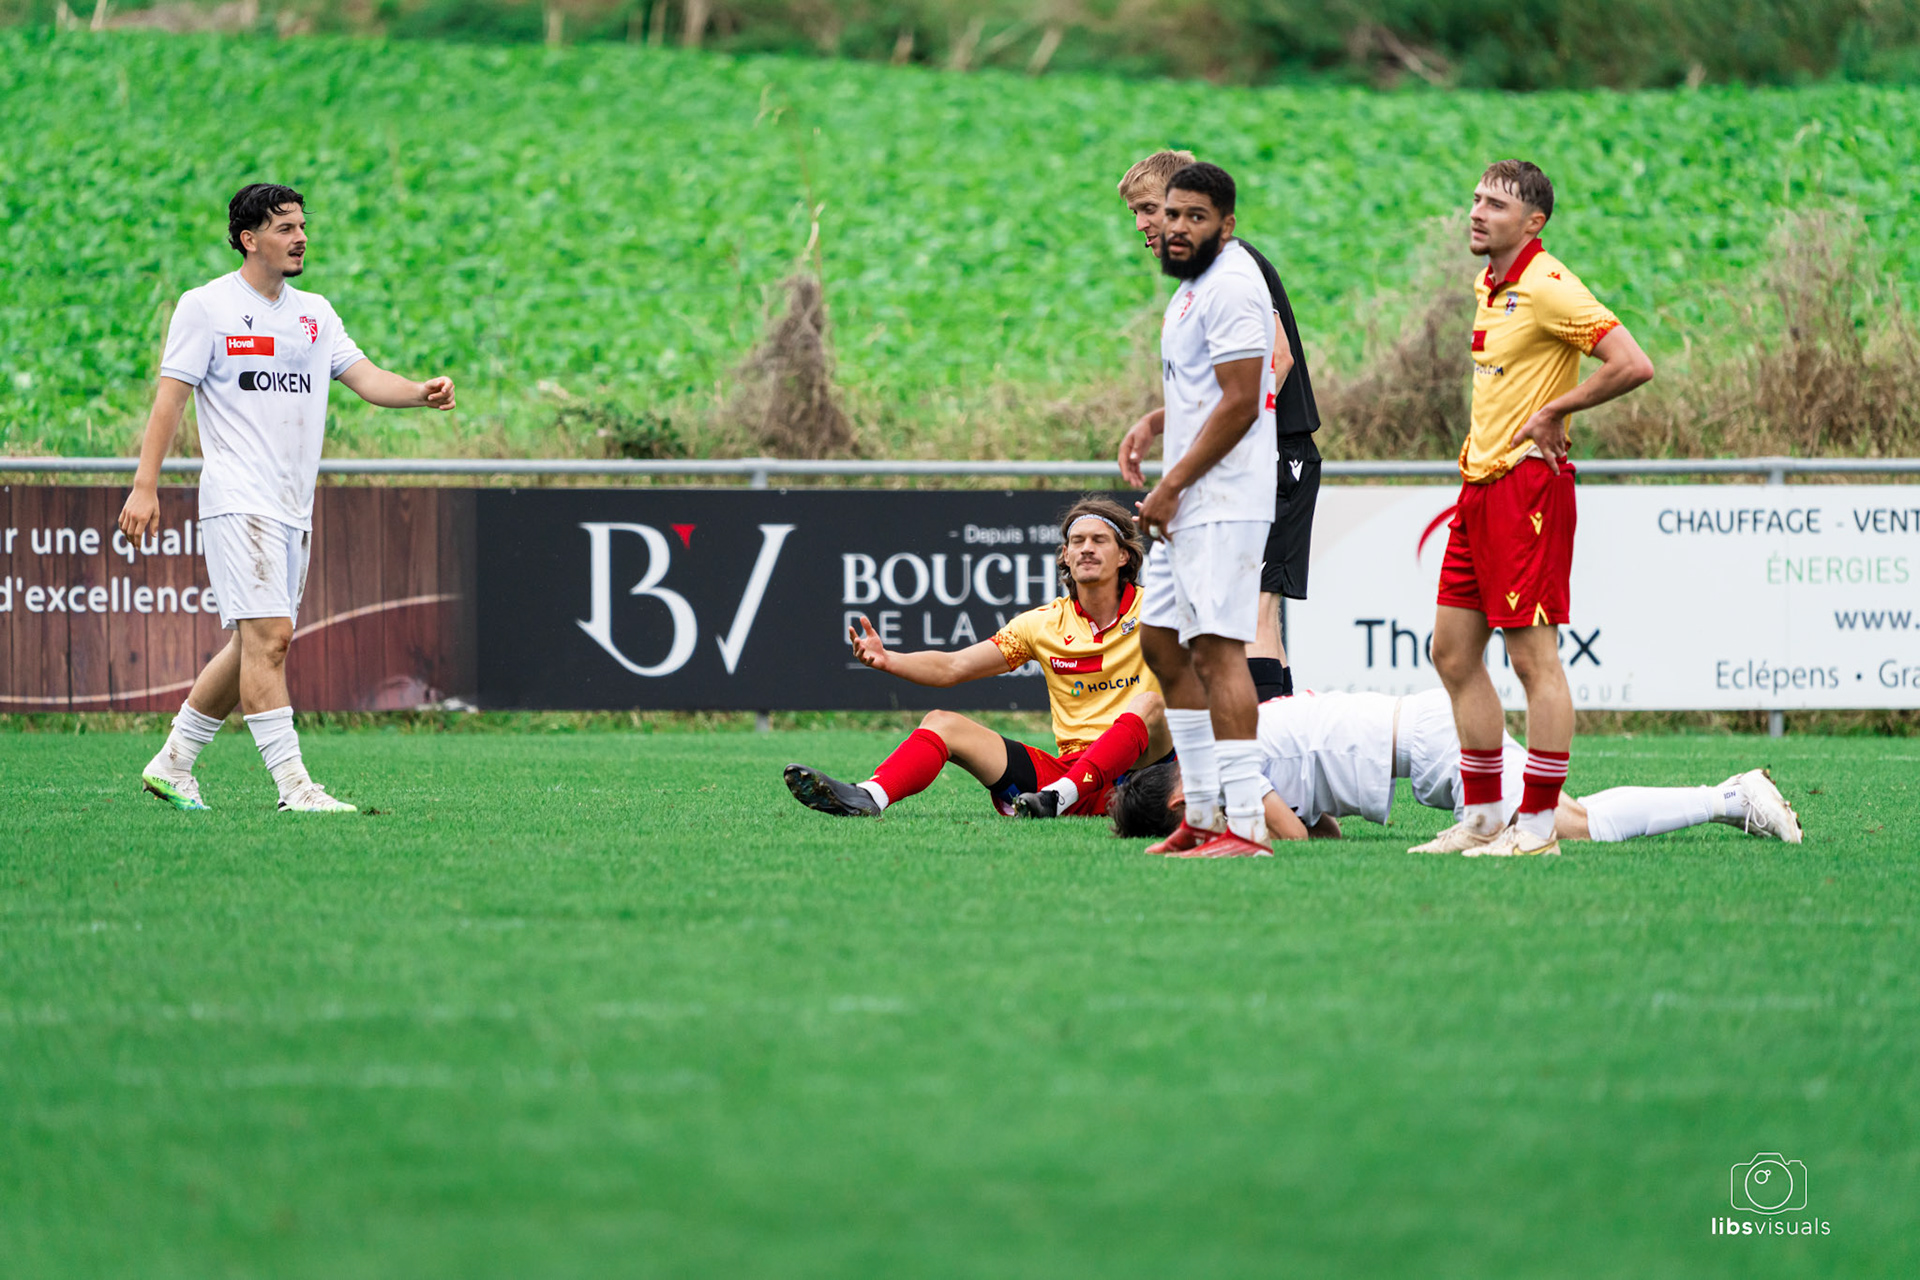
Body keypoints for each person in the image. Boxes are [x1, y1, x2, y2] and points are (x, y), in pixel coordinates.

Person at [120, 183, 456, 813]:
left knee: (255, 642)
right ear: (249, 240)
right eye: (284, 228)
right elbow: (170, 399)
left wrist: (420, 391)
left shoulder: (315, 313)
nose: (301, 237)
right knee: (270, 637)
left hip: (291, 505)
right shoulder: (206, 307)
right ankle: (295, 788)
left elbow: (365, 377)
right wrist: (146, 486)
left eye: (303, 225)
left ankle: (172, 763)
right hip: (238, 498)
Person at [1420, 160, 1656, 858]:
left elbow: (1632, 362)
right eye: (1475, 199)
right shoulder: (1491, 284)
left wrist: (1557, 409)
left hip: (1528, 488)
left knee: (1532, 659)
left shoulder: (1550, 285)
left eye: (1495, 204)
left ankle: (1539, 828)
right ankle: (1486, 816)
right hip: (1478, 487)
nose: (1477, 211)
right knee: (1453, 653)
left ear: (1533, 223)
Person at [784, 497, 1170, 819]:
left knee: (1151, 703)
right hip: (1069, 776)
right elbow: (954, 667)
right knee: (942, 723)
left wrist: (1175, 536)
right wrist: (890, 660)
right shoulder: (1041, 624)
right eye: (1078, 541)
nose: (1087, 548)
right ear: (1065, 556)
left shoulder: (1159, 607)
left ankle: (1057, 798)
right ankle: (868, 796)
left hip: (1146, 780)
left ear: (1124, 555)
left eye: (1099, 540)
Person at [1115, 149, 1320, 703]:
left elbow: (1274, 364)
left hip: (1274, 459)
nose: (1140, 225)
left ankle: (1264, 773)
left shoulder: (1236, 267)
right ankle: (1261, 766)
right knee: (1235, 624)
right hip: (1255, 461)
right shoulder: (1198, 277)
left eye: (1147, 209)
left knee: (1251, 616)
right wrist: (1162, 421)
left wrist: (1226, 457)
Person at [1108, 688, 1805, 850]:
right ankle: (1725, 798)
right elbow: (1317, 826)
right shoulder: (1236, 740)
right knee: (1569, 812)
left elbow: (1285, 837)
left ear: (1178, 808)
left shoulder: (1227, 768)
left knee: (1570, 822)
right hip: (1429, 731)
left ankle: (1728, 797)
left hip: (1433, 745)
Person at [1127, 162, 1278, 858]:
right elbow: (1210, 384)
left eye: (1191, 217)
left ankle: (1245, 825)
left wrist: (1171, 484)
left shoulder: (1235, 282)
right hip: (1189, 498)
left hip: (1220, 498)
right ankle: (1204, 811)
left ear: (1225, 223)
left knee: (1219, 653)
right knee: (1160, 641)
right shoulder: (1192, 288)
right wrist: (1162, 421)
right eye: (1170, 215)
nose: (1170, 228)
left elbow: (1245, 399)